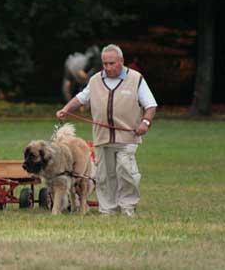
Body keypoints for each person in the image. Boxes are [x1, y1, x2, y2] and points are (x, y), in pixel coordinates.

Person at [56, 44, 157, 217]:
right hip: (102, 137)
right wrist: (66, 109)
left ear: (121, 61)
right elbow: (81, 98)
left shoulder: (136, 79)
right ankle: (108, 209)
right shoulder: (95, 79)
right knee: (104, 176)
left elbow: (150, 104)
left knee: (126, 171)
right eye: (105, 64)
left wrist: (145, 122)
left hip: (127, 137)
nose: (108, 68)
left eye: (112, 63)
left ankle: (128, 207)